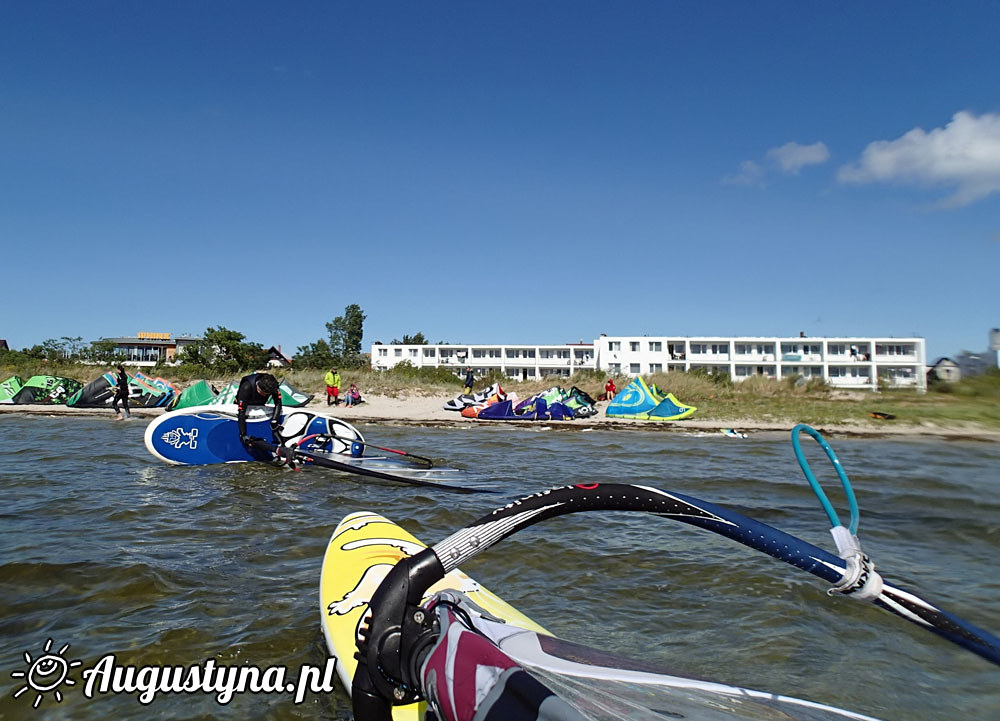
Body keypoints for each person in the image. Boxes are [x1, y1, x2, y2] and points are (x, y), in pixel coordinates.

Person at [236, 372, 282, 447]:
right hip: (246, 401)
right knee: (242, 411)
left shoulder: (273, 386)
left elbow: (278, 403)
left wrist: (274, 421)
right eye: (262, 392)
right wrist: (243, 434)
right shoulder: (246, 386)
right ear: (258, 386)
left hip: (260, 404)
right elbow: (241, 412)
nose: (265, 395)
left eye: (267, 394)